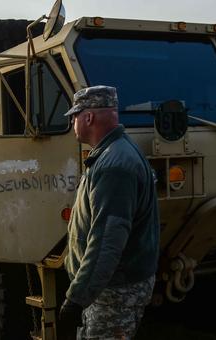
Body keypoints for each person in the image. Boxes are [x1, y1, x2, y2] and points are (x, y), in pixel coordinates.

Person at [57, 86, 160, 339]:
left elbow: (107, 242)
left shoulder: (115, 164)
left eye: (75, 116)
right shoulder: (114, 153)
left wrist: (76, 298)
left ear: (88, 117)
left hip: (114, 289)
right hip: (110, 285)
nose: (72, 122)